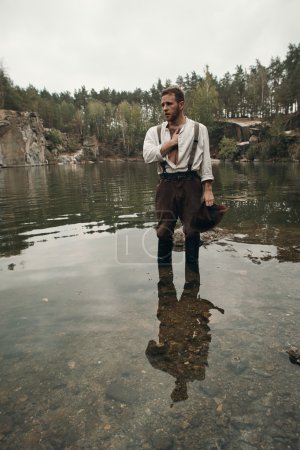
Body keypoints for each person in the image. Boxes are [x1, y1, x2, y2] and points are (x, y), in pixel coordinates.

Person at [143, 86, 215, 270]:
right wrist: (170, 144)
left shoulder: (199, 129)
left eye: (169, 104)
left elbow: (206, 161)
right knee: (163, 232)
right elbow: (147, 156)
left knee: (192, 231)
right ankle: (165, 282)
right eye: (162, 105)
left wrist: (208, 190)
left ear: (181, 104)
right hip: (165, 184)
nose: (164, 108)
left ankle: (192, 281)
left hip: (191, 183)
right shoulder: (154, 132)